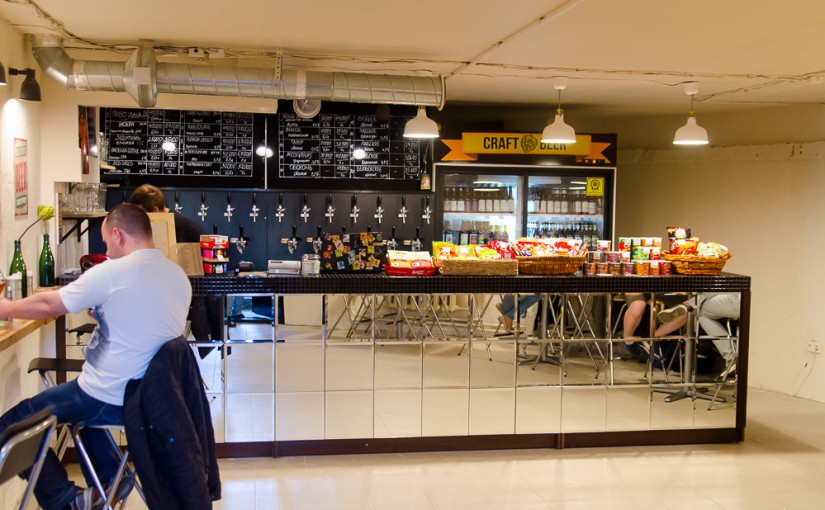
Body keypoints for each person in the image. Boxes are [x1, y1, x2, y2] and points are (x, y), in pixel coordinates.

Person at [0, 204, 191, 510]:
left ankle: (66, 499)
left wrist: (6, 308)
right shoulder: (177, 275)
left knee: (17, 421)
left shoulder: (113, 272)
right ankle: (109, 479)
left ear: (117, 234)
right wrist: (105, 315)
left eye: (105, 243)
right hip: (153, 399)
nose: (106, 251)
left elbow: (50, 305)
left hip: (110, 395)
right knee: (83, 418)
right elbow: (146, 326)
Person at [129, 184, 222, 347]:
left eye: (142, 214)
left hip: (193, 291)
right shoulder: (175, 223)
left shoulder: (175, 226)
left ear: (155, 211)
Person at [654, 293, 740, 365]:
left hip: (738, 299)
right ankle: (690, 305)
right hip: (735, 298)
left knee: (699, 311)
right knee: (699, 307)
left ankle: (731, 357)